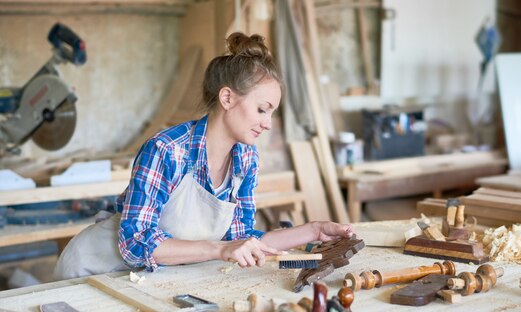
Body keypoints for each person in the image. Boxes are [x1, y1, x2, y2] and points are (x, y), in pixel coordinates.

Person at [53, 32, 354, 280]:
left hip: (147, 279)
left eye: (272, 113)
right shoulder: (167, 150)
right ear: (227, 98)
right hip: (94, 271)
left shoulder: (245, 159)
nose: (267, 122)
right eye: (262, 109)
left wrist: (314, 230)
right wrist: (218, 249)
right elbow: (136, 243)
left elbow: (242, 239)